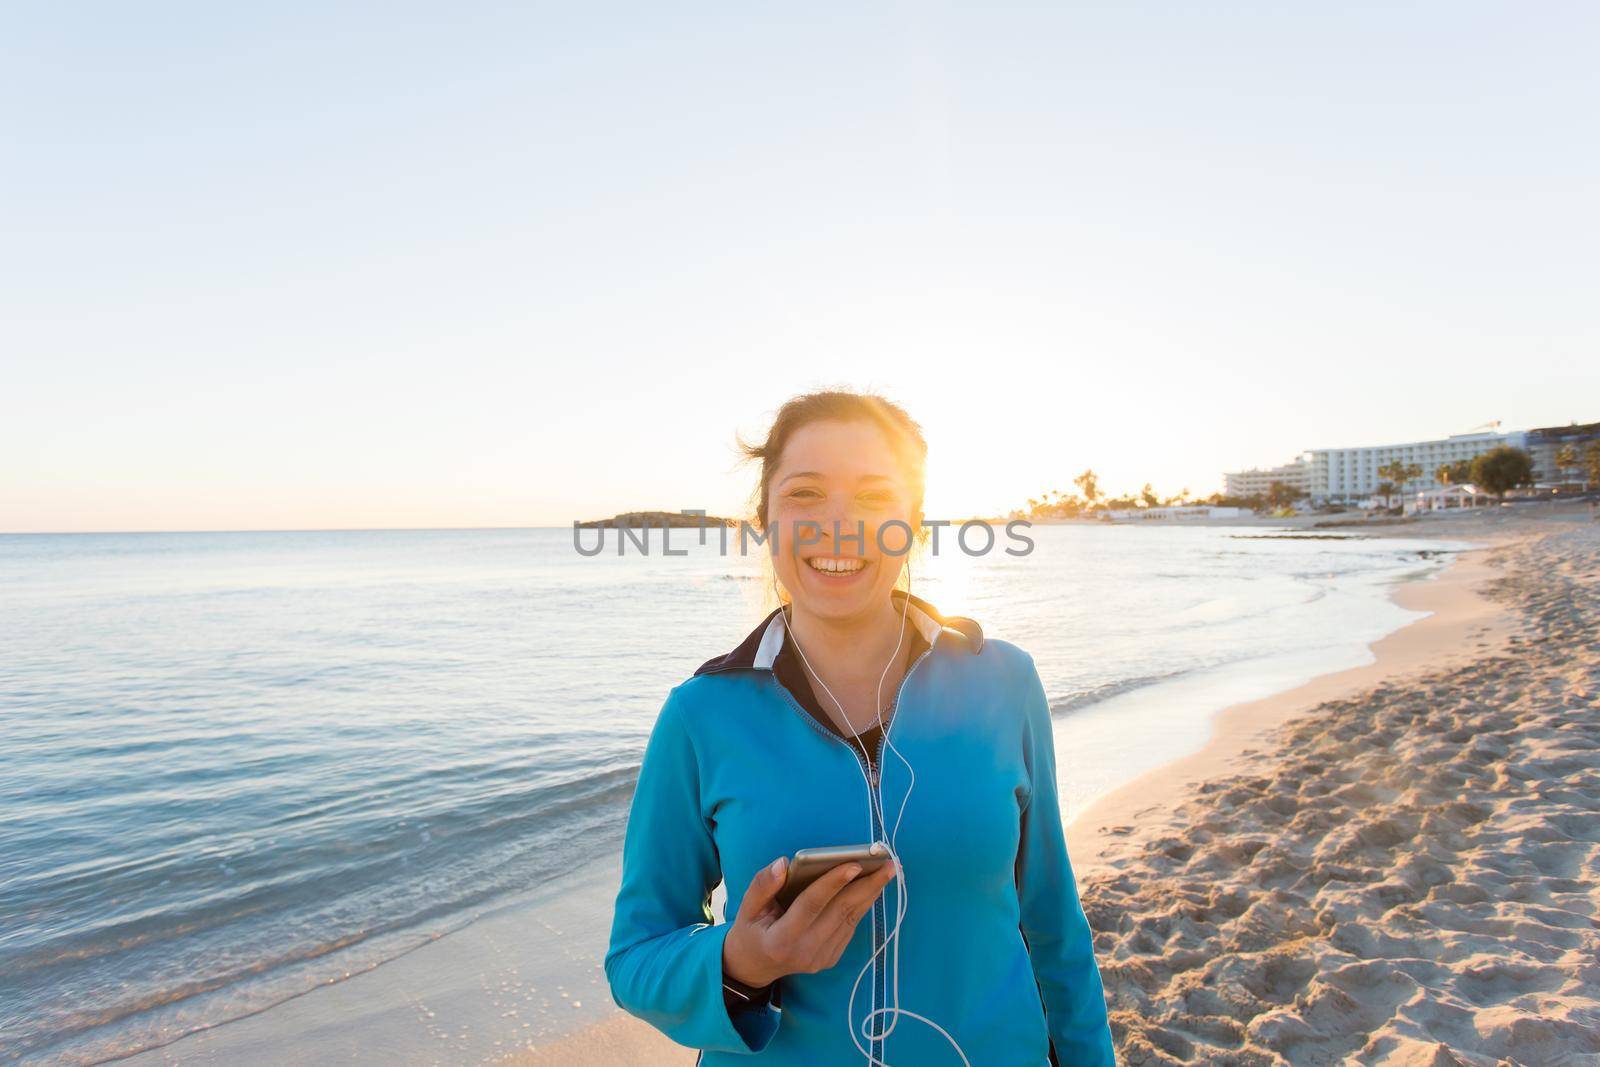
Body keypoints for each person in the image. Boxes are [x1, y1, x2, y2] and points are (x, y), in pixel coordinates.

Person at [605, 390, 1115, 1065]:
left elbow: (1054, 925)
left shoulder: (1004, 683)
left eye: (875, 497)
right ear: (766, 521)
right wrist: (740, 960)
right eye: (806, 494)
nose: (840, 525)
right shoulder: (701, 715)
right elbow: (636, 954)